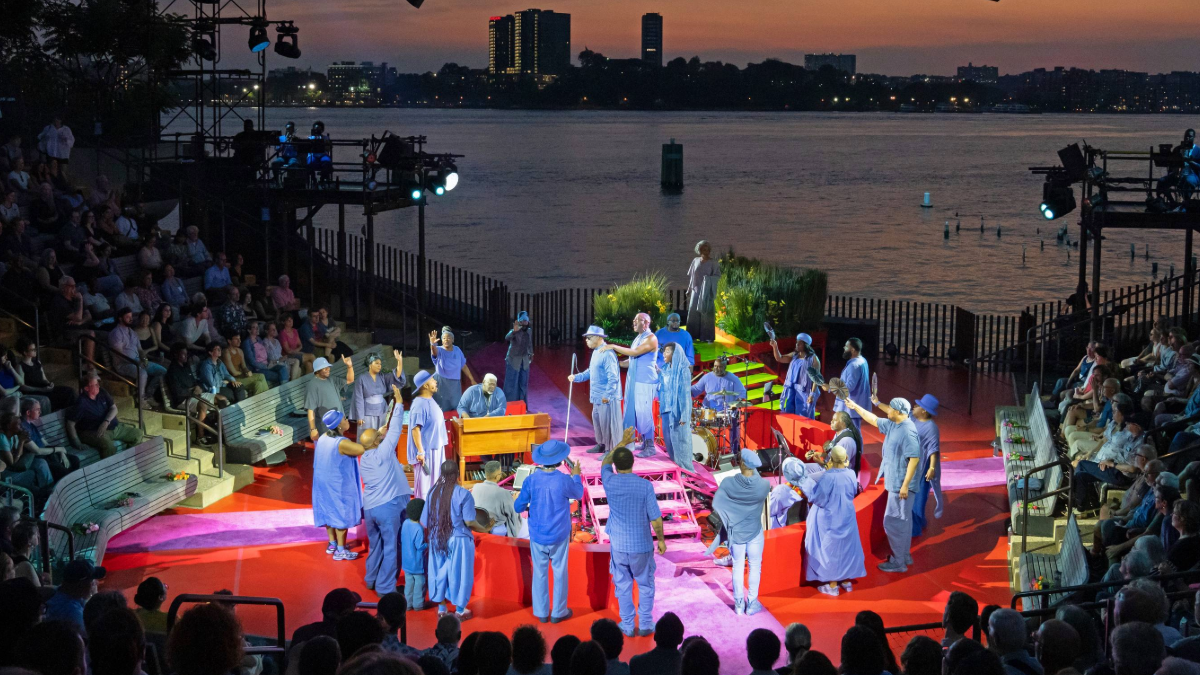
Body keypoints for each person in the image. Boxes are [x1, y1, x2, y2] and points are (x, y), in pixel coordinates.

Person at [842, 393, 920, 573]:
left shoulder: (907, 432)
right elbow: (874, 419)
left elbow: (914, 459)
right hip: (896, 481)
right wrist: (855, 406)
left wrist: (905, 485)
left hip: (901, 485)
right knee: (903, 521)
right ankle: (904, 555)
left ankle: (898, 562)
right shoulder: (894, 424)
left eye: (891, 408)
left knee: (893, 522)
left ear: (899, 412)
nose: (888, 410)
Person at [512, 440, 584, 621]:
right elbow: (579, 493)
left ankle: (542, 613)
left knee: (539, 573)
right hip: (559, 534)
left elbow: (518, 507)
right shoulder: (564, 480)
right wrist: (576, 476)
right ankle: (559, 612)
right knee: (560, 573)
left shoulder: (530, 480)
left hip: (538, 535)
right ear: (560, 461)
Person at [601, 446, 667, 636]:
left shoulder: (609, 481)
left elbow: (605, 462)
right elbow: (655, 518)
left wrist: (621, 443)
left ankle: (628, 625)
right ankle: (645, 624)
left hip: (619, 545)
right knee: (645, 585)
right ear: (633, 462)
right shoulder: (645, 486)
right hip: (641, 546)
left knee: (623, 585)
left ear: (615, 465)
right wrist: (661, 540)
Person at [422, 459, 489, 620]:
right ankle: (460, 610)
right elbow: (470, 522)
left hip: (437, 538)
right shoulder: (464, 494)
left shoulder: (432, 492)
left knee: (438, 572)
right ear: (457, 474)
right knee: (460, 573)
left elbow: (425, 521)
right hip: (459, 540)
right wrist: (485, 528)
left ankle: (442, 608)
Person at [360, 392, 411, 594]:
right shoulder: (383, 452)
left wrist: (378, 435)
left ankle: (371, 579)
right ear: (376, 442)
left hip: (370, 509)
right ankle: (385, 587)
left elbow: (379, 442)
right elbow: (395, 430)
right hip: (388, 508)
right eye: (378, 436)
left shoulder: (365, 457)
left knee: (376, 545)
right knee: (391, 547)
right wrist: (399, 404)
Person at [799, 445, 866, 595]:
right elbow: (852, 492)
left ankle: (833, 585)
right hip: (847, 516)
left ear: (831, 459)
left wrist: (804, 484)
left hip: (830, 518)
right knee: (847, 548)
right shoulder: (851, 474)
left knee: (831, 550)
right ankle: (846, 581)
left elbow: (818, 498)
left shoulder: (828, 477)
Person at [710, 449, 770, 613]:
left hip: (736, 532)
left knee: (737, 566)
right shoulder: (764, 485)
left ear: (740, 463)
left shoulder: (728, 483)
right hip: (754, 532)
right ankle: (752, 604)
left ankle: (738, 605)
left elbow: (717, 505)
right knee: (755, 566)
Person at [312, 410, 367, 561]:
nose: (347, 420)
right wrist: (377, 435)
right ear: (338, 425)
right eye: (344, 419)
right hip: (337, 485)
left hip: (322, 483)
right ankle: (341, 551)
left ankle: (332, 544)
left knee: (329, 511)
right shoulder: (342, 443)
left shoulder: (323, 437)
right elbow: (362, 449)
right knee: (341, 514)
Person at [603, 313, 660, 456]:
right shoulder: (639, 338)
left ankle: (650, 446)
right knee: (636, 413)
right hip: (635, 381)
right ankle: (644, 442)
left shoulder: (651, 338)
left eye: (637, 320)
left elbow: (634, 353)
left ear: (646, 323)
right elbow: (632, 360)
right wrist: (616, 363)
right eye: (634, 319)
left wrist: (613, 346)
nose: (633, 322)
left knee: (643, 413)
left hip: (644, 381)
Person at [571, 326, 624, 455]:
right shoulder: (596, 352)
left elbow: (613, 378)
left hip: (606, 397)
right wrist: (576, 377)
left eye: (589, 338)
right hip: (596, 396)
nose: (586, 341)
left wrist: (607, 394)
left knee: (606, 424)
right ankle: (601, 444)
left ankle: (609, 450)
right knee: (598, 421)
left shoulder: (607, 354)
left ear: (598, 338)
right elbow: (591, 371)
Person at [66, 374, 142, 458]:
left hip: (114, 428)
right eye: (95, 384)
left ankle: (129, 459)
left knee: (138, 434)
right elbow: (70, 423)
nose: (98, 386)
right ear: (86, 388)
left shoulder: (102, 392)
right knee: (109, 446)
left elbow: (114, 408)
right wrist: (77, 442)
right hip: (95, 432)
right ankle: (110, 465)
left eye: (97, 383)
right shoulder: (82, 402)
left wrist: (106, 422)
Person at [407, 370, 448, 498]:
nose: (435, 382)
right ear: (425, 385)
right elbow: (415, 429)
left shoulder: (429, 400)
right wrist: (420, 452)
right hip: (427, 453)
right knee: (426, 487)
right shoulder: (419, 404)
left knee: (436, 484)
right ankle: (424, 509)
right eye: (432, 380)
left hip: (436, 449)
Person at [910, 394, 944, 537]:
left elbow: (933, 450)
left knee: (919, 497)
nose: (914, 407)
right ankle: (919, 521)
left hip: (923, 466)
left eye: (917, 406)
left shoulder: (931, 428)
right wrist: (877, 403)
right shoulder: (913, 418)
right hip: (912, 464)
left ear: (924, 411)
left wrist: (931, 468)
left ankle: (916, 527)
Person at [659, 342, 695, 471]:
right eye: (664, 351)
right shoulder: (665, 369)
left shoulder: (683, 370)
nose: (664, 354)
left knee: (681, 441)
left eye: (667, 351)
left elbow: (685, 394)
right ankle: (676, 468)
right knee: (669, 441)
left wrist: (684, 415)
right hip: (666, 409)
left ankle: (686, 469)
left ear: (675, 354)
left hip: (677, 411)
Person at [825, 338, 871, 434]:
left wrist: (830, 388)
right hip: (856, 404)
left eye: (846, 346)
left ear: (853, 350)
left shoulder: (854, 365)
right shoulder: (863, 360)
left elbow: (849, 387)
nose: (844, 348)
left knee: (851, 433)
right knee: (854, 432)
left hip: (850, 407)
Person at [44, 558, 104, 631]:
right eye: (92, 581)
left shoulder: (55, 593)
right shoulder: (73, 613)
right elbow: (87, 635)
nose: (95, 583)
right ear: (81, 584)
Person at [353, 350, 406, 429]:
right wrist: (360, 416)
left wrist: (399, 361)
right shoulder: (361, 378)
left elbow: (396, 376)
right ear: (370, 365)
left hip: (382, 409)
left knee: (380, 433)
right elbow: (358, 398)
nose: (379, 366)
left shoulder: (382, 376)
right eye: (377, 363)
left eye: (380, 364)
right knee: (368, 434)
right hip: (367, 412)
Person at [772, 333, 821, 418]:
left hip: (804, 392)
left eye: (800, 343)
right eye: (797, 342)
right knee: (790, 414)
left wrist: (812, 394)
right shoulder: (794, 355)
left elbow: (816, 378)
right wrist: (775, 346)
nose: (797, 344)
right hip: (792, 390)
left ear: (806, 345)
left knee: (803, 415)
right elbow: (779, 358)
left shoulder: (813, 359)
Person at [306, 356, 355, 439]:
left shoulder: (331, 379)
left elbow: (350, 380)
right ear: (317, 371)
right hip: (324, 426)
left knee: (339, 444)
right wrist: (313, 429)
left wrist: (349, 366)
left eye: (328, 367)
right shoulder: (312, 385)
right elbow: (311, 409)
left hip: (338, 422)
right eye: (325, 368)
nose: (328, 369)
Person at [430, 327, 476, 413]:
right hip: (441, 382)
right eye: (444, 338)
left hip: (455, 384)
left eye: (448, 338)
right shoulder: (439, 349)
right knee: (442, 407)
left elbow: (463, 365)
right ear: (442, 340)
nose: (446, 340)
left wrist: (472, 379)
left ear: (453, 340)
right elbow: (434, 352)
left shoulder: (457, 350)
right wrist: (432, 344)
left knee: (456, 406)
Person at [987, 609, 1043, 675]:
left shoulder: (1002, 671)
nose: (988, 629)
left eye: (990, 628)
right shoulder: (1037, 664)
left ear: (996, 638)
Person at [685, 240, 720, 343]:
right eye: (704, 249)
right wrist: (689, 289)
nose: (706, 251)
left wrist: (708, 279)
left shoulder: (714, 263)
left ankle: (708, 337)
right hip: (696, 291)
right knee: (693, 314)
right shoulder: (695, 261)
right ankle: (692, 336)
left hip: (707, 292)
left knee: (707, 313)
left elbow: (717, 276)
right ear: (699, 250)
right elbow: (692, 277)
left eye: (707, 249)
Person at [401, 498, 427, 610]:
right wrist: (428, 544)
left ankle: (407, 604)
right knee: (419, 584)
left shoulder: (405, 523)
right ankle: (418, 604)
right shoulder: (419, 528)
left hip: (406, 561)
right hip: (417, 563)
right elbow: (419, 546)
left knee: (409, 584)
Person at [504, 311, 533, 403]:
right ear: (519, 321)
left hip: (524, 360)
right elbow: (507, 338)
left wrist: (531, 353)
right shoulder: (515, 331)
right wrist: (514, 331)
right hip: (513, 360)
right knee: (511, 383)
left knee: (523, 382)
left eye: (526, 321)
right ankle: (510, 404)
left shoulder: (529, 331)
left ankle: (522, 404)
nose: (524, 323)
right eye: (522, 321)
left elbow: (529, 343)